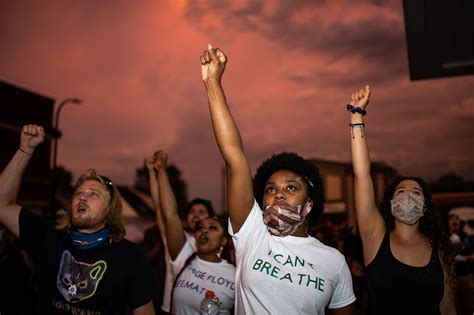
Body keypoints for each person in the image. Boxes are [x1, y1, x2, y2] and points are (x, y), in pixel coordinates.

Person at [200, 44, 355, 314]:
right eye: (270, 188)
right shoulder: (252, 233)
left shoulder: (334, 262)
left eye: (291, 187)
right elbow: (235, 157)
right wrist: (213, 83)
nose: (277, 194)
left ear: (309, 204)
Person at [0, 124, 157, 314]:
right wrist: (26, 149)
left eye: (93, 194)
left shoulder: (130, 257)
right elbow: (2, 204)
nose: (82, 197)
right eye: (78, 193)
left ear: (109, 210)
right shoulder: (48, 237)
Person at [348, 86, 457, 315]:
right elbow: (362, 175)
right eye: (400, 192)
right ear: (389, 204)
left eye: (416, 193)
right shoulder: (375, 235)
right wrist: (357, 116)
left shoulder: (439, 250)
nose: (408, 195)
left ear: (425, 207)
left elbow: (447, 308)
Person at [153, 149, 235, 314]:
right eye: (200, 228)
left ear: (224, 240)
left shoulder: (236, 274)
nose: (204, 230)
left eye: (212, 228)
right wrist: (161, 171)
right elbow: (170, 215)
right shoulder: (183, 258)